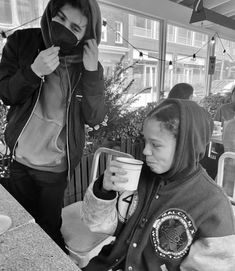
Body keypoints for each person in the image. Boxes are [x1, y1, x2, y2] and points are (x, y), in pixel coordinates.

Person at [0, 0, 105, 253]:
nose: (65, 29)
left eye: (76, 27)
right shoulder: (21, 43)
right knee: (16, 226)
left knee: (48, 229)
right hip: (19, 160)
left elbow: (94, 117)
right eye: (60, 19)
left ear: (87, 35)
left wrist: (91, 73)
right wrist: (33, 71)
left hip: (56, 169)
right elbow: (6, 94)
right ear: (49, 15)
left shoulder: (89, 65)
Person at [81, 99, 235, 270]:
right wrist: (104, 191)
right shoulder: (139, 177)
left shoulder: (213, 205)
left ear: (186, 146)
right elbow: (96, 224)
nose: (145, 151)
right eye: (145, 141)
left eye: (155, 144)